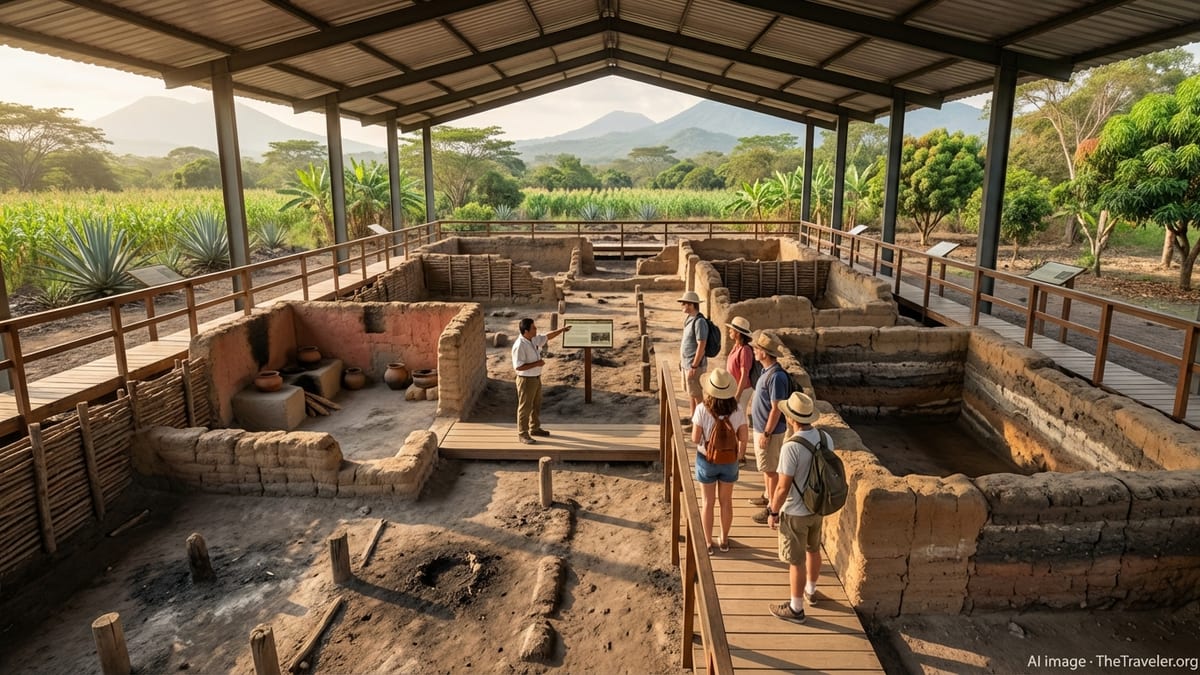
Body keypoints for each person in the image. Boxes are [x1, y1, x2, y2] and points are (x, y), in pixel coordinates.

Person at [765, 391, 831, 624]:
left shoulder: (791, 447)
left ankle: (796, 609)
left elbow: (782, 488)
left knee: (796, 561)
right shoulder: (825, 438)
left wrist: (773, 511)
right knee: (814, 550)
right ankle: (811, 591)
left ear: (792, 418)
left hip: (795, 512)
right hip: (817, 507)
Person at [690, 368, 748, 555]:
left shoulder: (702, 409)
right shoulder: (738, 409)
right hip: (729, 460)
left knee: (708, 502)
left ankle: (708, 542)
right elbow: (744, 437)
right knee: (726, 502)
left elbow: (694, 438)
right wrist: (739, 455)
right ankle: (723, 540)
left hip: (706, 459)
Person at [748, 330, 790, 524]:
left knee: (771, 471)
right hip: (762, 429)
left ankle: (772, 509)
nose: (754, 351)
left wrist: (766, 433)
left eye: (756, 349)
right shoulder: (767, 372)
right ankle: (768, 497)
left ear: (764, 352)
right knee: (767, 469)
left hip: (770, 432)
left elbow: (776, 408)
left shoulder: (776, 377)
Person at [511, 317, 571, 445]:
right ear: (526, 331)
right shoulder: (519, 345)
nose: (536, 329)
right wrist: (537, 363)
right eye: (533, 328)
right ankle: (522, 434)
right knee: (525, 407)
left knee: (536, 405)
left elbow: (547, 336)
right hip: (526, 380)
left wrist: (562, 330)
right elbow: (518, 367)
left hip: (536, 378)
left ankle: (534, 428)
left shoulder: (532, 339)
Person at [677, 290, 708, 415]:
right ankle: (693, 416)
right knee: (691, 392)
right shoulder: (689, 319)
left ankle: (701, 420)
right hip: (687, 363)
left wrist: (695, 365)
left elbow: (702, 344)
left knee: (697, 394)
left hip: (694, 365)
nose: (682, 306)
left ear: (691, 305)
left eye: (684, 303)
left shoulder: (699, 322)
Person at [725, 316, 754, 413]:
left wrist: (737, 395)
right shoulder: (736, 346)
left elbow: (744, 375)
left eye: (731, 329)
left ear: (738, 333)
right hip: (733, 388)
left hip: (742, 390)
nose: (729, 331)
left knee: (739, 414)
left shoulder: (745, 350)